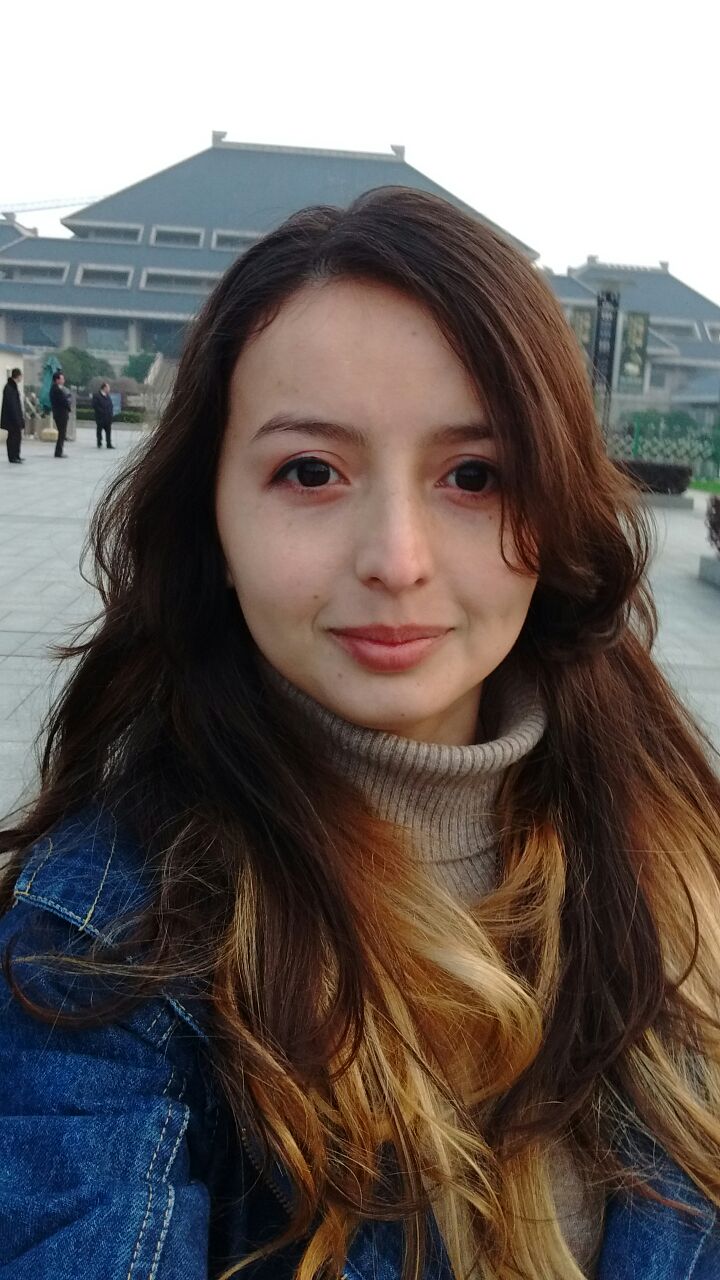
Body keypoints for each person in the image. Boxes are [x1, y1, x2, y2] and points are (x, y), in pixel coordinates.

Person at [0, 189, 719, 1280]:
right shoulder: (102, 945)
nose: (396, 559)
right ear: (212, 519)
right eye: (310, 471)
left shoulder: (678, 841)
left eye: (474, 476)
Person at [2, 366, 25, 463]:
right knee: (12, 437)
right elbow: (12, 405)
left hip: (16, 417)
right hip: (11, 418)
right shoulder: (9, 387)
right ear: (18, 376)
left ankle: (16, 455)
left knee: (17, 437)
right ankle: (12, 456)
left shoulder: (13, 387)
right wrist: (17, 419)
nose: (21, 378)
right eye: (21, 376)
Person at [49, 369, 71, 457]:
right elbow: (63, 401)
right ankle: (58, 452)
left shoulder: (57, 389)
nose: (63, 380)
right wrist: (68, 403)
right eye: (62, 379)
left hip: (60, 413)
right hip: (60, 414)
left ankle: (59, 451)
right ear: (57, 380)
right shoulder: (56, 390)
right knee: (62, 433)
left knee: (62, 433)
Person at [92, 379, 115, 449]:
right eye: (108, 387)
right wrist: (102, 412)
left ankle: (109, 444)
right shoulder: (97, 396)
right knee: (99, 430)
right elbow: (95, 406)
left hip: (108, 417)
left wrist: (111, 413)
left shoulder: (108, 396)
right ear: (104, 388)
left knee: (108, 431)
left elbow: (110, 405)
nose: (109, 389)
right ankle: (99, 442)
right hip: (100, 417)